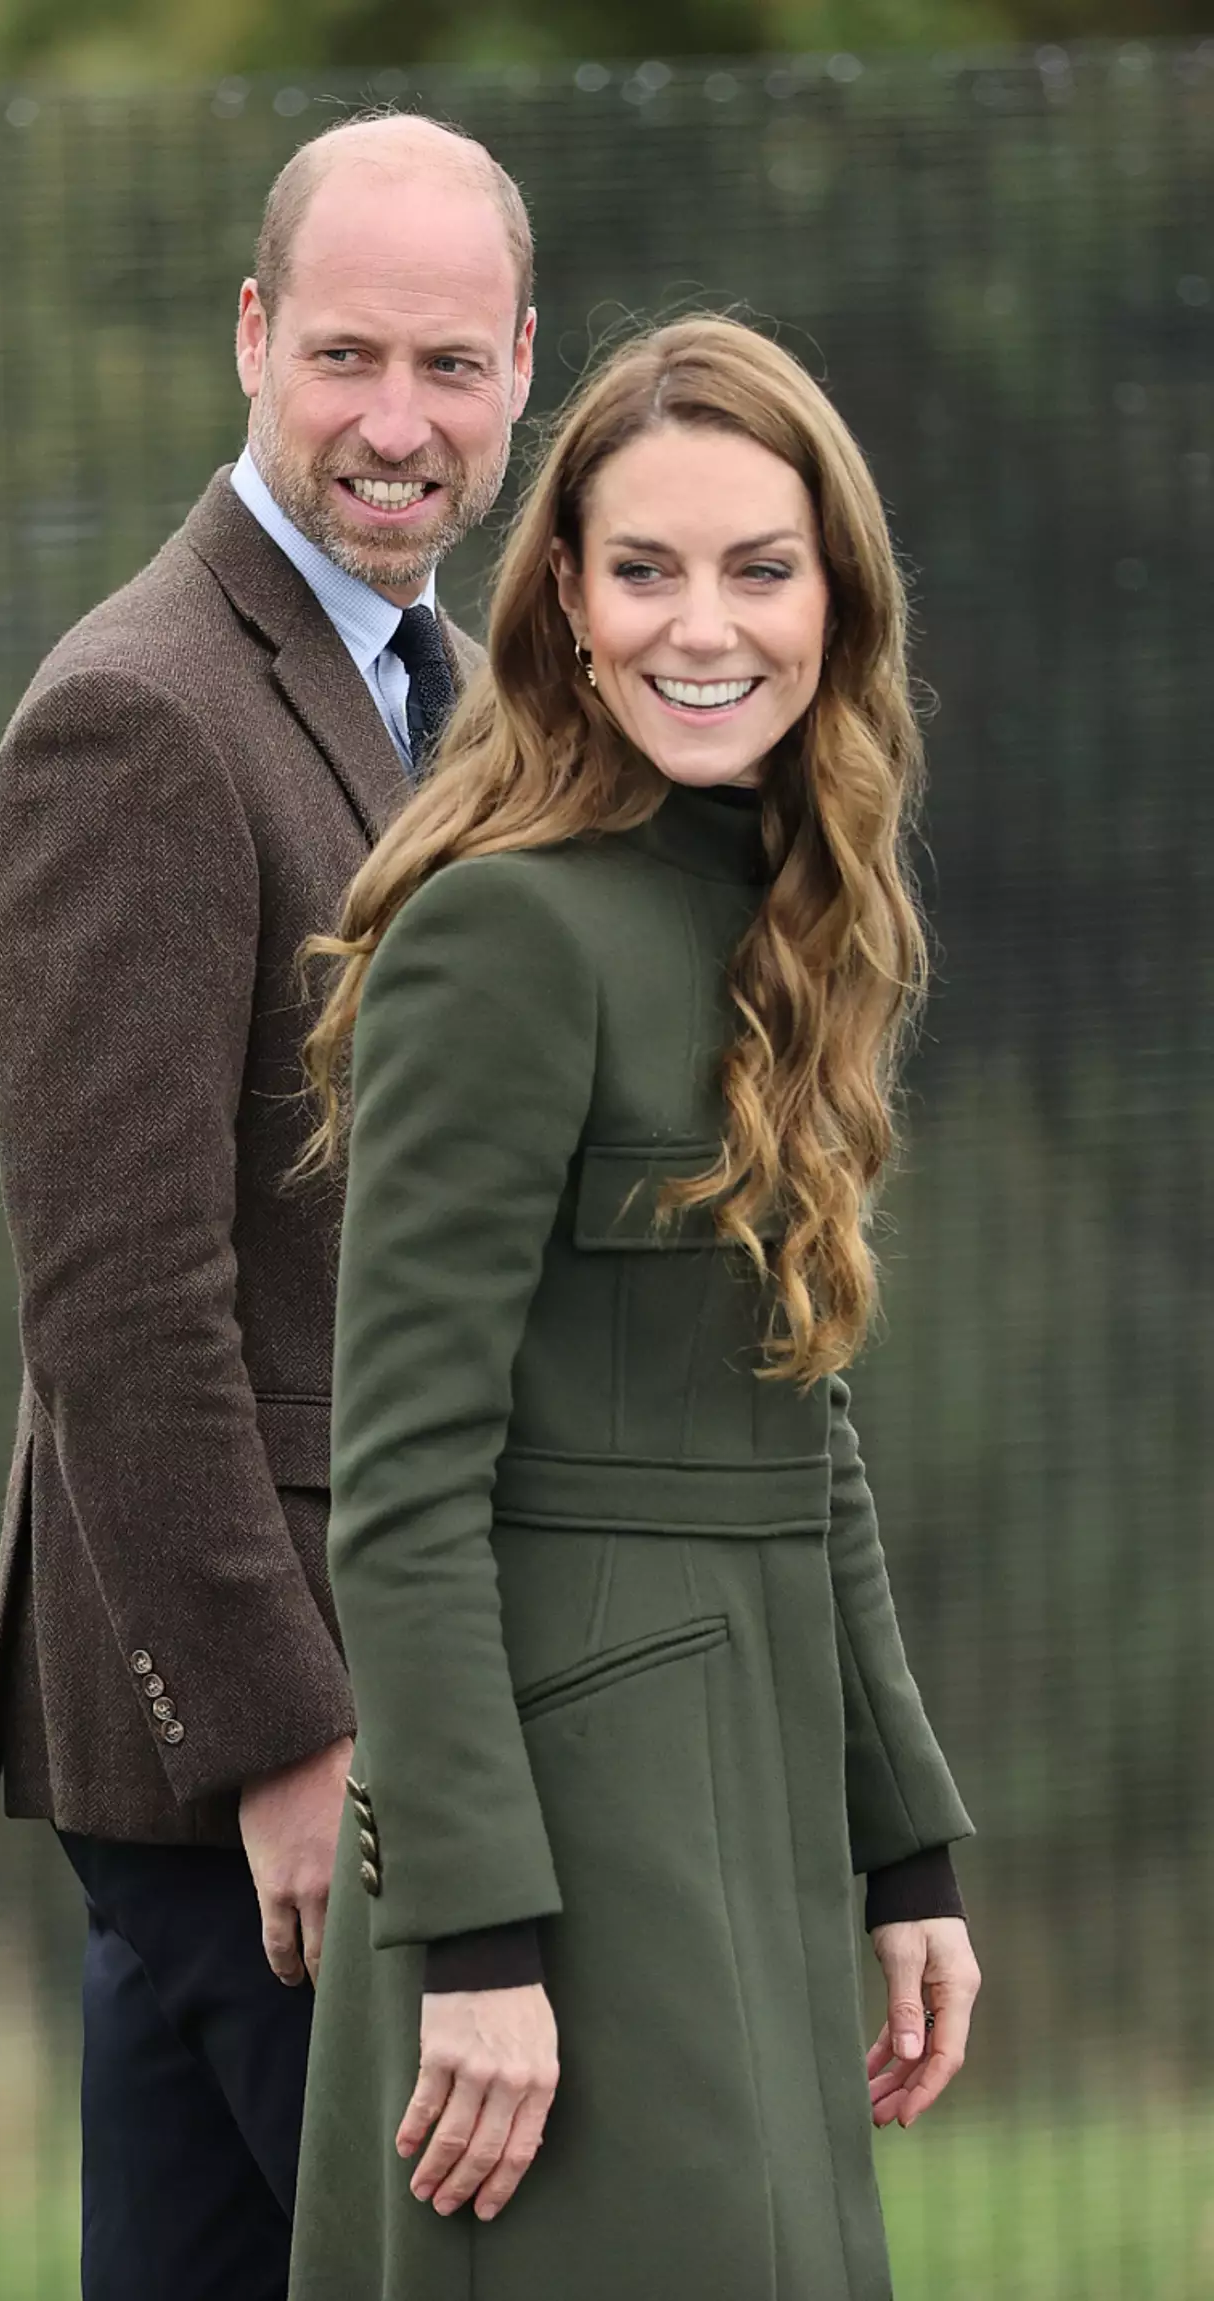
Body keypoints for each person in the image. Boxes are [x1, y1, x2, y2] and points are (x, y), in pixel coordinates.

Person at [292, 315, 981, 2301]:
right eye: (647, 569)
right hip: (564, 1853)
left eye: (760, 568)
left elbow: (798, 1419)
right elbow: (406, 1485)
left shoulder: (783, 918)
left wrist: (904, 1836)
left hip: (750, 1792)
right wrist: (485, 1939)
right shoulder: (504, 930)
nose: (708, 625)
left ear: (834, 600)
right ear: (568, 608)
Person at [0, 113, 536, 2301]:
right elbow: (119, 1303)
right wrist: (288, 1743)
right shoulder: (138, 716)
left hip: (356, 1714)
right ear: (250, 339)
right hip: (271, 1748)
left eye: (454, 366)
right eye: (348, 357)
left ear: (520, 372)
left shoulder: (456, 698)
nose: (400, 424)